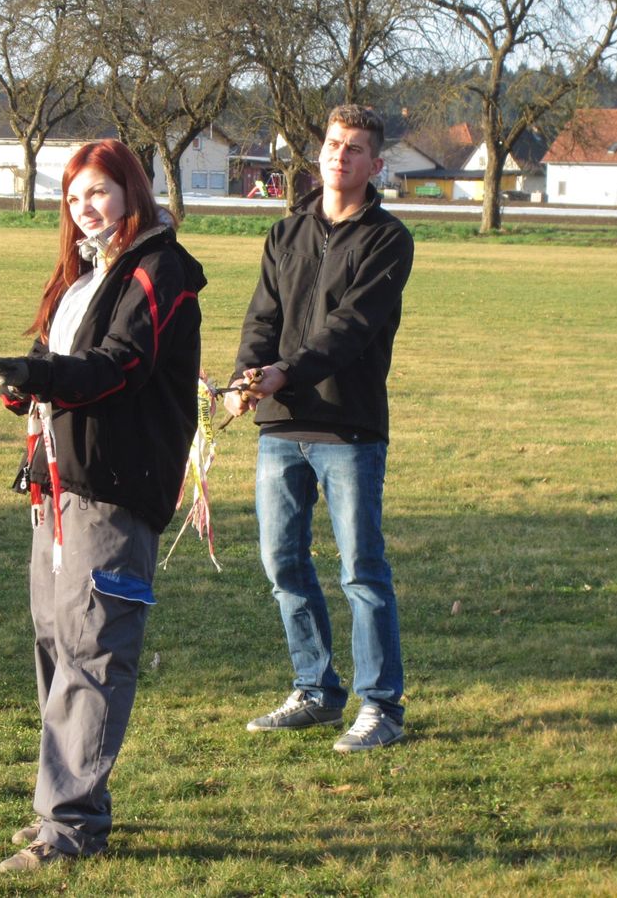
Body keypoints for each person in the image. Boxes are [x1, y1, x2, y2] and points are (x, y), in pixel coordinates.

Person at [0, 139, 204, 871]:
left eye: (100, 192)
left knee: (92, 651)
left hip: (114, 487)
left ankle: (71, 828)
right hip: (56, 486)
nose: (87, 207)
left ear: (131, 191)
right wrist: (25, 383)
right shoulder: (81, 275)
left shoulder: (159, 269)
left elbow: (122, 365)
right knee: (56, 644)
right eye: (75, 195)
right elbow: (59, 366)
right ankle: (63, 806)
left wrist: (47, 376)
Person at [223, 104, 413, 754]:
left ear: (375, 163)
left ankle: (381, 706)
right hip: (280, 425)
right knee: (283, 563)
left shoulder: (388, 240)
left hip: (348, 426)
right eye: (334, 144)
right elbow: (262, 318)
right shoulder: (286, 233)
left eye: (355, 148)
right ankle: (316, 691)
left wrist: (286, 373)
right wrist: (248, 377)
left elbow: (350, 329)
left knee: (361, 569)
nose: (340, 155)